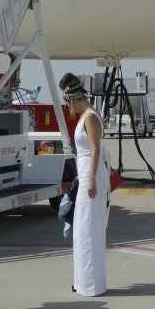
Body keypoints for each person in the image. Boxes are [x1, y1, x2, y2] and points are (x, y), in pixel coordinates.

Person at [61, 72, 110, 297]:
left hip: (92, 177)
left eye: (67, 102)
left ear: (72, 98)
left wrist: (90, 179)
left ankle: (91, 285)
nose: (68, 107)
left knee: (88, 231)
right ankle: (83, 281)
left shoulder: (90, 116)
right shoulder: (87, 115)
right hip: (86, 176)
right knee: (82, 231)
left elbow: (95, 149)